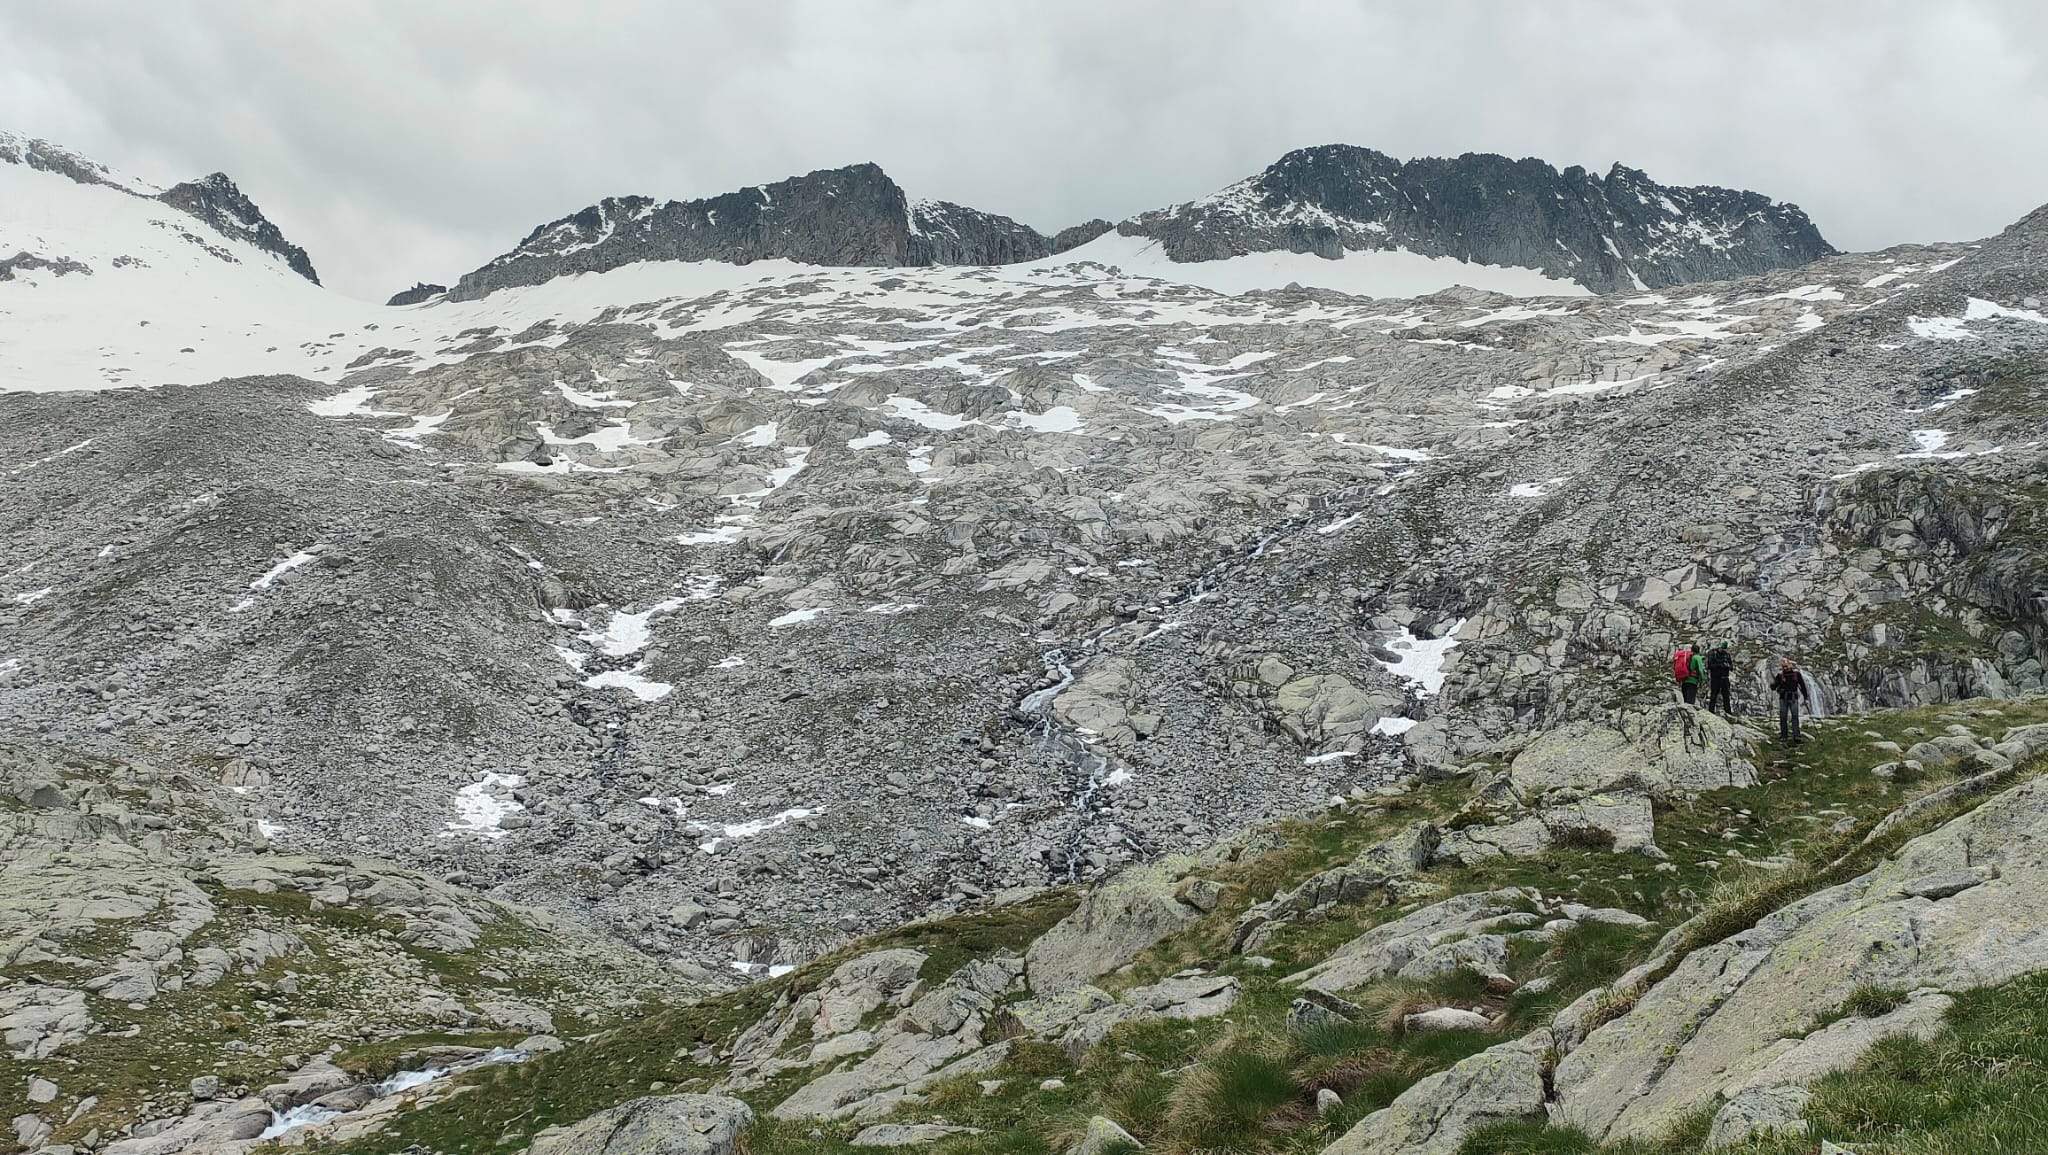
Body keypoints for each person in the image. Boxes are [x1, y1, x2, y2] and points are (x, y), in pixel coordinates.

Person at [1771, 657, 1813, 742]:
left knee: (1794, 717)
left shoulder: (1797, 674)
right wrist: (1773, 685)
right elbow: (1775, 686)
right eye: (1783, 667)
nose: (1785, 668)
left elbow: (1803, 686)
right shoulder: (1780, 676)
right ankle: (1784, 736)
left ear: (1790, 665)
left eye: (1786, 666)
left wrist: (1806, 697)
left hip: (1793, 698)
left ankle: (1796, 736)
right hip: (1784, 698)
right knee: (1783, 717)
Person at [1672, 640, 1705, 705]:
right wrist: (1702, 680)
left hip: (1684, 680)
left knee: (1686, 700)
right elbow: (1700, 670)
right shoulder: (1697, 657)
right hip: (1693, 681)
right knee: (1690, 701)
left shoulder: (1686, 657)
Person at [1707, 641, 1734, 715]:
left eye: (1724, 649)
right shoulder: (1713, 654)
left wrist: (1726, 666)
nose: (1722, 650)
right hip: (1715, 678)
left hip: (1725, 678)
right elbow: (1709, 666)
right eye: (1722, 648)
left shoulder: (1727, 655)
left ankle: (1728, 712)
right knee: (1713, 695)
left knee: (1726, 696)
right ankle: (1711, 712)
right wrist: (1720, 665)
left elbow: (1731, 667)